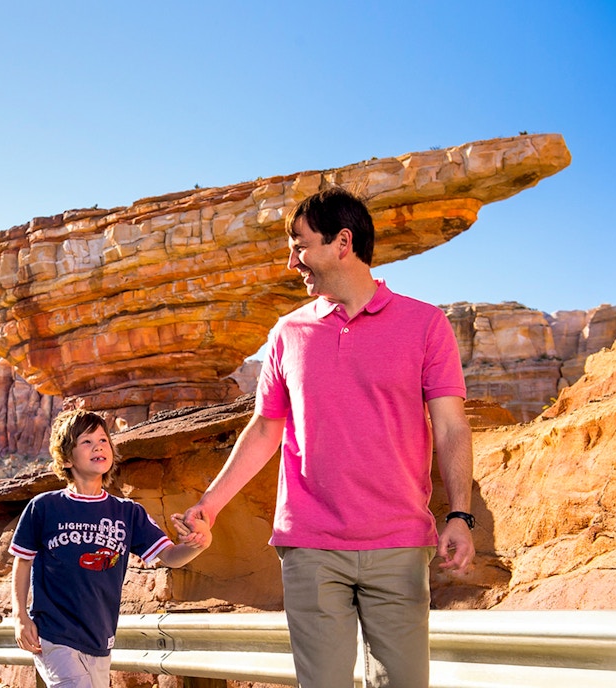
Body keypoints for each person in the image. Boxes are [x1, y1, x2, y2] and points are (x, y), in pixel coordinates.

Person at [182, 187, 475, 688]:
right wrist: (210, 504)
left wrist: (460, 515)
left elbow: (451, 425)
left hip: (398, 543)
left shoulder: (425, 324)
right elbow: (265, 428)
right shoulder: (287, 332)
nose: (292, 261)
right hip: (310, 545)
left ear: (342, 242)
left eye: (300, 245)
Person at [11, 408, 212, 688]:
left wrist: (197, 544)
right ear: (67, 458)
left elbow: (169, 557)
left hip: (100, 636)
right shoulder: (44, 507)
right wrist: (20, 616)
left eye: (103, 440)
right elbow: (22, 562)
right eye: (86, 442)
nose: (98, 447)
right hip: (53, 632)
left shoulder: (127, 512)